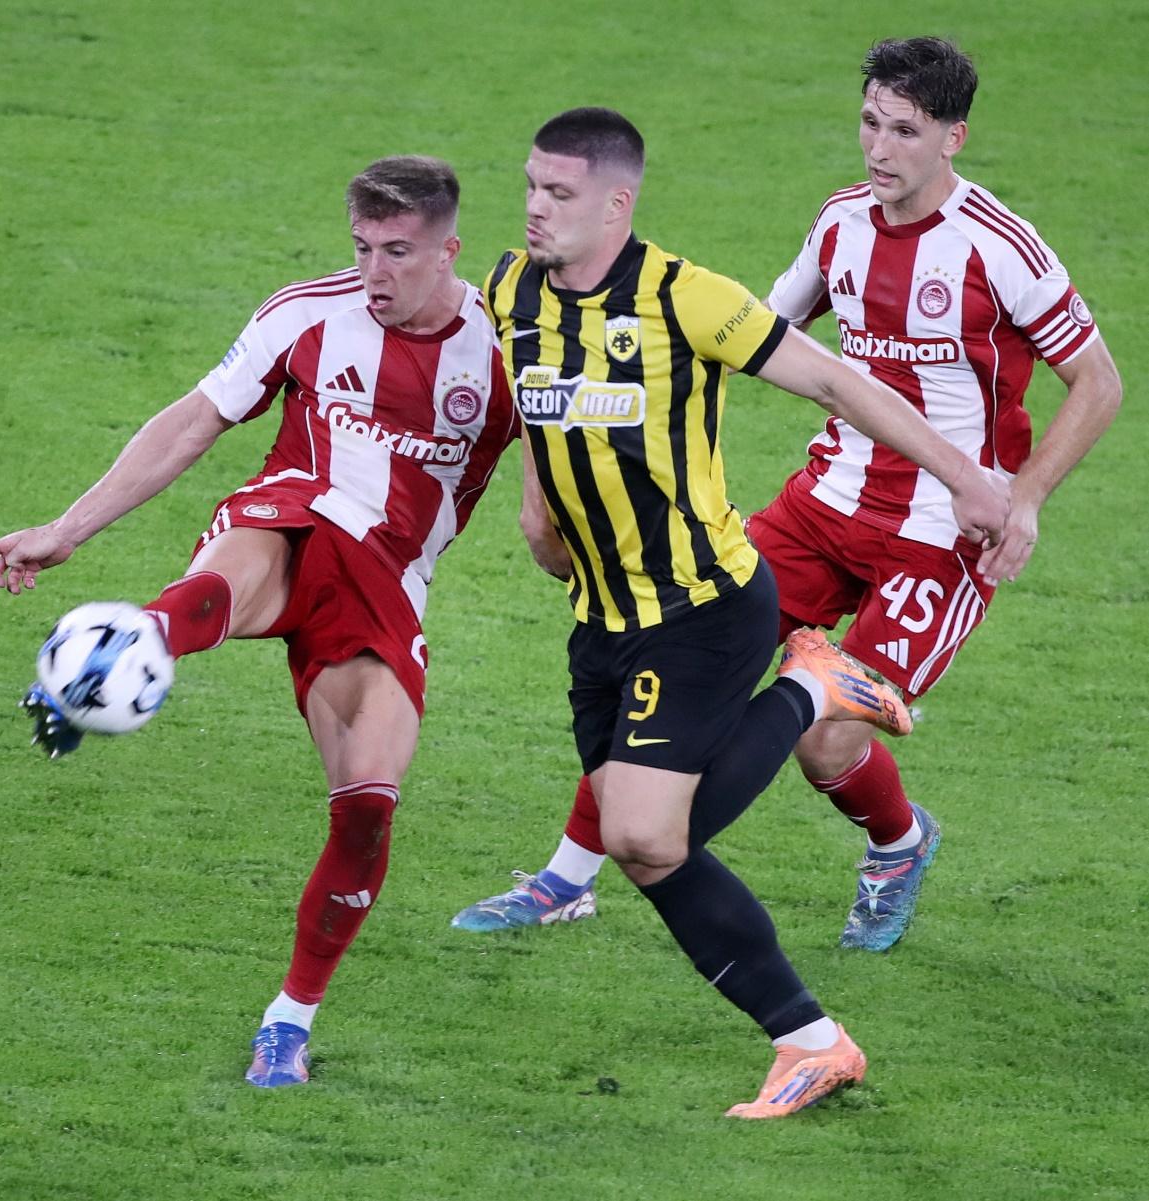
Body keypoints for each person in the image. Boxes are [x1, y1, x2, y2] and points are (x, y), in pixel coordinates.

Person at [454, 39, 1121, 953]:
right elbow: (765, 334)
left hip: (941, 531)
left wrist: (1027, 497)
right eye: (869, 123)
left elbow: (1098, 381)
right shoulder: (840, 223)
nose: (878, 148)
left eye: (904, 131)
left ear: (953, 138)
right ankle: (564, 882)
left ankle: (897, 843)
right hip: (821, 504)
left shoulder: (997, 247)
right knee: (674, 648)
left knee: (826, 742)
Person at [480, 105, 1008, 1119]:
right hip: (602, 618)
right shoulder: (511, 290)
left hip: (704, 606)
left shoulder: (687, 298)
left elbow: (835, 382)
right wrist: (537, 513)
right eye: (531, 187)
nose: (536, 208)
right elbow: (528, 403)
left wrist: (964, 477)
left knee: (650, 832)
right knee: (647, 849)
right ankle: (812, 1043)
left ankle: (811, 686)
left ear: (615, 204)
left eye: (559, 193)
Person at [0, 156, 519, 1088]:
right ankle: (117, 655)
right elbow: (195, 420)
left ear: (448, 250)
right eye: (361, 247)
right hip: (290, 518)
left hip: (389, 583)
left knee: (368, 806)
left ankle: (287, 1022)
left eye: (397, 252)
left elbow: (566, 485)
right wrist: (67, 529)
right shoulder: (306, 313)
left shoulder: (509, 350)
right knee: (254, 549)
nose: (374, 272)